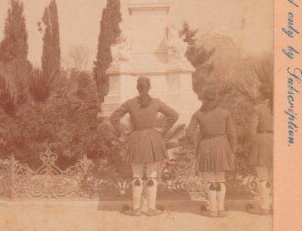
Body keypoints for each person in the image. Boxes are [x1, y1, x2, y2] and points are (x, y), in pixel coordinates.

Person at [109, 76, 179, 216]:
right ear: (149, 87)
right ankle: (151, 209)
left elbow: (114, 118)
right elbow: (173, 115)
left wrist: (124, 133)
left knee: (137, 175)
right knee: (152, 175)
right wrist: (163, 131)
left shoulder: (129, 103)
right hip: (153, 139)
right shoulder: (156, 103)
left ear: (137, 88)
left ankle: (136, 209)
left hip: (135, 140)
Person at [187, 85, 237, 218]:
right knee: (220, 179)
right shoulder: (225, 113)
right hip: (222, 145)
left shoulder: (198, 114)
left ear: (204, 99)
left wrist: (196, 144)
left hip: (206, 147)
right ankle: (221, 209)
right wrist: (232, 150)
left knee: (210, 180)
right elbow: (232, 133)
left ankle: (212, 209)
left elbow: (190, 132)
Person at [246, 84, 273, 215]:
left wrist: (253, 143)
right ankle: (274, 206)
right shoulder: (277, 108)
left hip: (262, 141)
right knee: (274, 176)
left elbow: (252, 130)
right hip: (277, 140)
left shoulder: (257, 108)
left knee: (263, 177)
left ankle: (264, 207)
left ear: (261, 94)